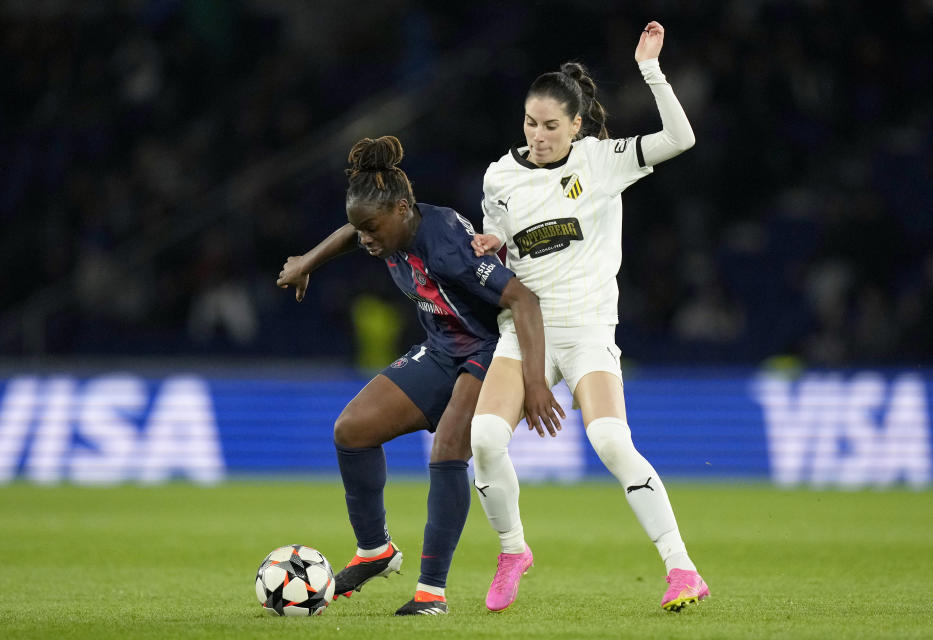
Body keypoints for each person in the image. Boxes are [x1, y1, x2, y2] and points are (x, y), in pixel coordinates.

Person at [469, 21, 710, 612]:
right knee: (484, 439)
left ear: (576, 125)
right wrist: (492, 246)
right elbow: (507, 247)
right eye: (531, 122)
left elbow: (680, 138)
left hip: (588, 330)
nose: (539, 134)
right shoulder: (499, 177)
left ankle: (682, 570)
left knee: (608, 437)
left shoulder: (604, 162)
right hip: (527, 331)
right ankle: (513, 550)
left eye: (552, 125)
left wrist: (650, 71)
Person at [276, 135, 564, 616]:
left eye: (371, 228)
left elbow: (522, 299)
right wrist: (308, 261)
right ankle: (376, 551)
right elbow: (353, 230)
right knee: (352, 431)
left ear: (403, 208)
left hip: (489, 349)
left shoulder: (448, 241)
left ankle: (432, 593)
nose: (365, 238)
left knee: (449, 448)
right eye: (360, 229)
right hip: (442, 348)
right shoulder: (386, 227)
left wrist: (534, 381)